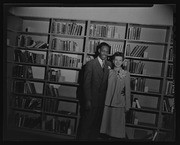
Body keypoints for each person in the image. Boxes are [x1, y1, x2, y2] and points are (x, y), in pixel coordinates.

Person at [77, 42, 112, 140]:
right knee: (86, 125)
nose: (105, 53)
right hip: (91, 101)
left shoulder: (109, 65)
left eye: (107, 51)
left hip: (102, 102)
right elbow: (86, 84)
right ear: (99, 51)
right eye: (103, 51)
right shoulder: (90, 64)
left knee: (96, 127)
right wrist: (87, 100)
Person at [100, 51, 131, 140]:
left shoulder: (126, 73)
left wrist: (127, 106)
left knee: (117, 130)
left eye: (120, 60)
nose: (118, 62)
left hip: (119, 103)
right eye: (116, 60)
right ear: (113, 61)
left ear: (123, 62)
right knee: (106, 129)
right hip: (107, 102)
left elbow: (128, 91)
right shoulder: (108, 72)